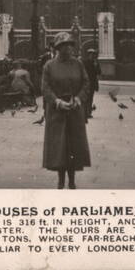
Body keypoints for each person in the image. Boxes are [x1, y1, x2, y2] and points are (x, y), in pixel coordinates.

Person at [41, 32, 91, 189]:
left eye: (70, 45)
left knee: (73, 145)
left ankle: (72, 180)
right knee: (59, 147)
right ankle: (61, 180)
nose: (69, 48)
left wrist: (78, 99)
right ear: (58, 48)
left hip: (74, 110)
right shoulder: (49, 66)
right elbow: (45, 88)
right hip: (57, 112)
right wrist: (57, 102)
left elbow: (86, 83)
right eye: (65, 46)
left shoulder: (78, 64)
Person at [82, 48, 101, 119]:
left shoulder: (95, 63)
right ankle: (85, 113)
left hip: (92, 83)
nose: (92, 56)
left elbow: (99, 72)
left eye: (93, 54)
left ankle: (89, 113)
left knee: (90, 98)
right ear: (88, 55)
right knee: (86, 98)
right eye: (91, 54)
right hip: (86, 83)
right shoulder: (85, 62)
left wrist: (96, 66)